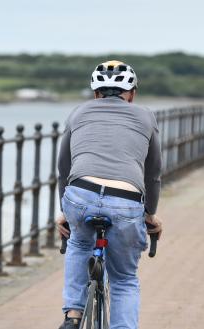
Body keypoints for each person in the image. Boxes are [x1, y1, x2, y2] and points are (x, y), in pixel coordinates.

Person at [55, 60, 164, 329]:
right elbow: (153, 174)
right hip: (126, 201)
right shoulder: (145, 116)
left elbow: (63, 168)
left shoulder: (78, 113)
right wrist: (150, 213)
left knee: (79, 244)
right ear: (132, 94)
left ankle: (72, 315)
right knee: (124, 278)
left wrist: (65, 211)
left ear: (95, 93)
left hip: (81, 194)